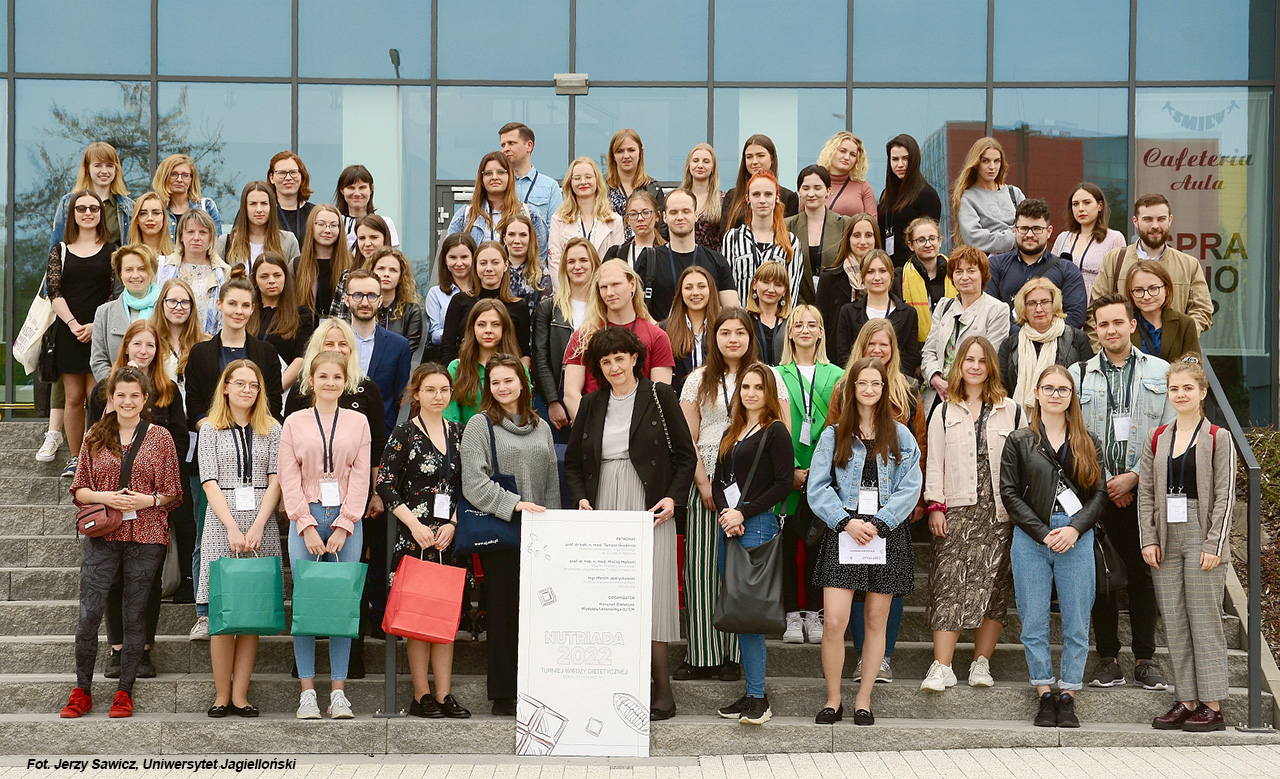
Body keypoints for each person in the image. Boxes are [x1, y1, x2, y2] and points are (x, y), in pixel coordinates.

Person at [566, 327, 697, 720]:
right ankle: (617, 683)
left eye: (620, 358)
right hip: (604, 502)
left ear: (635, 358)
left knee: (652, 592)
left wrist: (672, 498)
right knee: (609, 595)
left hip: (649, 506)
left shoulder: (660, 395)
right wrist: (581, 497)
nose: (614, 367)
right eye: (605, 361)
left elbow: (686, 456)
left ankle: (662, 691)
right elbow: (573, 463)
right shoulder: (591, 403)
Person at [61, 367, 182, 720]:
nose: (127, 401)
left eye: (134, 395)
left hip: (147, 535)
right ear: (111, 398)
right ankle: (82, 690)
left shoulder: (160, 437)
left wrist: (147, 501)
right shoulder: (95, 435)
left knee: (135, 613)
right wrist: (107, 497)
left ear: (145, 399)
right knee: (89, 614)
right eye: (121, 395)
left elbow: (173, 492)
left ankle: (124, 691)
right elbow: (79, 489)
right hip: (103, 535)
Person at [807, 357, 922, 726]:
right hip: (844, 532)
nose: (869, 389)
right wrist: (845, 521)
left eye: (876, 383)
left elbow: (911, 486)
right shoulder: (833, 435)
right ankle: (833, 699)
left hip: (885, 535)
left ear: (884, 389)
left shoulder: (901, 435)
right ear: (851, 389)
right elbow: (817, 487)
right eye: (862, 383)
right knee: (834, 621)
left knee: (875, 619)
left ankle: (863, 699)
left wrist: (881, 522)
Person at [677, 308, 790, 682]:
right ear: (714, 337)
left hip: (751, 493)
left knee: (739, 576)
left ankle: (733, 656)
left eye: (740, 332)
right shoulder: (697, 379)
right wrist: (703, 483)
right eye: (725, 332)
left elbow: (782, 432)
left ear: (750, 336)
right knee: (702, 571)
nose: (733, 339)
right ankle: (702, 654)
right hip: (706, 480)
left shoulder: (768, 376)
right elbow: (688, 439)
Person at [1073, 293, 1174, 691]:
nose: (1111, 330)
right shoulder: (1079, 374)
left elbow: (1168, 435)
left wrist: (1133, 477)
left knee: (1143, 575)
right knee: (1101, 576)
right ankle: (1108, 658)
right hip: (1096, 493)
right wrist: (1107, 484)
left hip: (1143, 492)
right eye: (1103, 324)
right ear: (1095, 330)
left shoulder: (1161, 372)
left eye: (1118, 322)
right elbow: (1073, 436)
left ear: (1132, 325)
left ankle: (1146, 659)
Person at [999, 364, 1106, 728]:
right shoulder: (1019, 440)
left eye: (1063, 389)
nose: (1056, 395)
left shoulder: (1088, 441)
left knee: (1077, 621)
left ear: (1072, 395)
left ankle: (1069, 694)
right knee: (1033, 621)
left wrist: (1074, 529)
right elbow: (1009, 493)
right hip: (1032, 538)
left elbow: (1099, 495)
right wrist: (1043, 532)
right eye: (1049, 388)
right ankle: (1045, 692)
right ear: (1036, 393)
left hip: (1076, 537)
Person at [86, 320, 189, 678]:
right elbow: (91, 441)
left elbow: (179, 441)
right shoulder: (104, 391)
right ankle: (117, 649)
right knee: (114, 580)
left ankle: (143, 650)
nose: (144, 351)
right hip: (110, 504)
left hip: (152, 500)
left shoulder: (168, 391)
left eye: (151, 345)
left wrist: (155, 483)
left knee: (148, 581)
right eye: (137, 344)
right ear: (126, 346)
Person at [459, 353, 560, 715]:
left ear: (523, 384)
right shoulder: (479, 425)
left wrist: (553, 524)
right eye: (495, 382)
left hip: (539, 533)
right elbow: (473, 481)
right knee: (502, 613)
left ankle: (538, 686)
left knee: (539, 611)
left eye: (508, 380)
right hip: (503, 531)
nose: (502, 387)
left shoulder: (541, 426)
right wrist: (515, 504)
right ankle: (503, 695)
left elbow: (550, 480)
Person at [921, 336, 1020, 692]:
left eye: (982, 360)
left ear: (991, 366)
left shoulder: (1011, 409)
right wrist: (935, 505)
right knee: (948, 584)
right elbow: (934, 461)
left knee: (994, 587)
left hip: (999, 512)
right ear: (959, 365)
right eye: (969, 360)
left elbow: (1022, 462)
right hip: (957, 509)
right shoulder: (944, 410)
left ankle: (981, 663)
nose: (975, 366)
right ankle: (942, 666)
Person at [1140, 358, 1234, 733]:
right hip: (1166, 533)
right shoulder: (1157, 437)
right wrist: (1148, 538)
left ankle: (1212, 705)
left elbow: (1225, 496)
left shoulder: (1218, 438)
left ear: (1202, 392)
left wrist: (1214, 543)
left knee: (1204, 621)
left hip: (1201, 533)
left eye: (1187, 388)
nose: (1180, 394)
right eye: (1174, 388)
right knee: (1175, 621)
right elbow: (1146, 493)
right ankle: (1187, 700)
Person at [279, 350, 372, 719]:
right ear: (311, 381)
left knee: (341, 604)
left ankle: (338, 692)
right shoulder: (294, 422)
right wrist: (304, 523)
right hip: (307, 516)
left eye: (337, 376)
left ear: (345, 381)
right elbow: (288, 476)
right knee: (305, 604)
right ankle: (307, 692)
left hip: (346, 520)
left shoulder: (359, 422)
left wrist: (346, 523)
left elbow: (362, 476)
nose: (330, 383)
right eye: (323, 376)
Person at [377, 363, 472, 719]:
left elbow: (469, 485)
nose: (438, 396)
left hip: (448, 539)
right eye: (430, 390)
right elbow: (385, 484)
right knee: (418, 622)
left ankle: (444, 694)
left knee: (445, 619)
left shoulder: (460, 432)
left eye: (444, 390)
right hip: (414, 538)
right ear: (416, 393)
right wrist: (414, 524)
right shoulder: (404, 432)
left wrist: (454, 522)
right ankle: (422, 695)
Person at [197, 360, 282, 718]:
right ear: (226, 387)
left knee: (252, 612)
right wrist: (232, 526)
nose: (247, 390)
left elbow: (276, 479)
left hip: (262, 521)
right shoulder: (210, 429)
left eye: (253, 384)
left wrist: (259, 524)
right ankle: (221, 695)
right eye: (240, 383)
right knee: (222, 614)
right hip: (222, 522)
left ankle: (240, 695)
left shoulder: (272, 428)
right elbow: (208, 481)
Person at [711, 364, 795, 726]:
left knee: (750, 616)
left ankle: (759, 697)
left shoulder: (776, 431)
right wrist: (726, 513)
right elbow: (717, 480)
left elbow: (784, 483)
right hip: (729, 525)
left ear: (769, 392)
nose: (750, 393)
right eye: (745, 386)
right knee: (740, 612)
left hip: (756, 525)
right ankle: (751, 693)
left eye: (758, 387)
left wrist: (742, 513)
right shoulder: (731, 431)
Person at [776, 305, 842, 645]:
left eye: (812, 324)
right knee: (788, 547)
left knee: (818, 547)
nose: (805, 330)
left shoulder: (838, 374)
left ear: (821, 332)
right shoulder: (775, 374)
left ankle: (815, 613)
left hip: (824, 474)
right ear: (789, 333)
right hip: (787, 474)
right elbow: (771, 424)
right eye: (798, 324)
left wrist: (818, 472)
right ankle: (791, 614)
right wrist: (789, 471)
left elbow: (841, 424)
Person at [49, 190, 119, 478]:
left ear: (101, 213)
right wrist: (72, 323)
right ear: (73, 214)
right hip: (70, 331)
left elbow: (115, 292)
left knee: (97, 395)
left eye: (93, 208)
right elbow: (54, 291)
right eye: (81, 208)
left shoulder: (112, 250)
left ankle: (97, 456)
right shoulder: (61, 250)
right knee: (74, 397)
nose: (88, 213)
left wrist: (94, 325)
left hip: (99, 331)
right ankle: (76, 458)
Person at [561, 260, 675, 419]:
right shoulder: (583, 336)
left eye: (616, 284)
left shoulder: (657, 336)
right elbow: (571, 394)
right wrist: (590, 427)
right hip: (595, 422)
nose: (609, 293)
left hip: (640, 424)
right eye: (604, 287)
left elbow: (660, 396)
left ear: (632, 285)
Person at [1089, 193, 1213, 338]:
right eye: (1147, 219)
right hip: (1124, 350)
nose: (1155, 226)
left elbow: (1202, 310)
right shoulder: (1114, 260)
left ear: (1170, 220)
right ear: (1135, 222)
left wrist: (1181, 337)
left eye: (1161, 219)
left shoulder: (1189, 265)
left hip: (1173, 350)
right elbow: (1095, 310)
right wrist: (1103, 349)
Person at [184, 274, 285, 429]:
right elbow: (193, 400)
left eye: (245, 305)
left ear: (252, 309)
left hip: (256, 434)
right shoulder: (199, 353)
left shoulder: (267, 352)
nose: (239, 311)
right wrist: (208, 429)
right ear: (219, 304)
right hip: (213, 433)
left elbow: (273, 400)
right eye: (232, 304)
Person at [920, 246, 1011, 411]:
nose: (964, 277)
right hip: (938, 394)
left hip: (974, 396)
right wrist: (935, 377)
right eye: (958, 271)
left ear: (983, 275)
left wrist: (957, 386)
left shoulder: (997, 310)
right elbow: (929, 351)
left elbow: (990, 358)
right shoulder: (944, 306)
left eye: (971, 271)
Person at [633, 188, 738, 321]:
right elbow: (636, 305)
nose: (680, 217)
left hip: (706, 333)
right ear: (665, 217)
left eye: (686, 211)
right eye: (674, 212)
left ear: (696, 215)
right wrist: (658, 330)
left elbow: (732, 311)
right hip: (661, 333)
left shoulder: (717, 260)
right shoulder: (648, 259)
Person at [986, 199, 1088, 331]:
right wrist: (1023, 336)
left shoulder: (1067, 270)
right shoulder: (995, 265)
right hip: (1007, 341)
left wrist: (1043, 336)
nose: (1030, 234)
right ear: (1015, 230)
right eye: (1024, 228)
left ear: (1049, 231)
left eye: (1037, 229)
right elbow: (990, 312)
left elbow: (1075, 316)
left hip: (1054, 342)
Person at [534, 238, 600, 436]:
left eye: (583, 260)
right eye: (571, 261)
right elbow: (540, 357)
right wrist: (553, 401)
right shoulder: (549, 307)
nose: (577, 266)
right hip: (557, 399)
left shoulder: (605, 308)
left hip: (596, 396)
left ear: (594, 264)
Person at [998, 278, 1094, 414]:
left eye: (1045, 302)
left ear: (1054, 304)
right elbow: (1001, 388)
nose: (1039, 309)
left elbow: (1088, 385)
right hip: (1019, 419)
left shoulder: (1077, 339)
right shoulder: (1009, 345)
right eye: (1031, 303)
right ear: (1023, 308)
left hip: (1066, 418)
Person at [440, 241, 532, 364]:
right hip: (467, 371)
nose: (489, 269)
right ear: (475, 266)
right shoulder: (460, 301)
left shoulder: (519, 306)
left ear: (505, 265)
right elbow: (447, 347)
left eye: (495, 263)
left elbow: (524, 352)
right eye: (483, 263)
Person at [722, 171, 804, 305]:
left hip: (777, 317)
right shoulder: (732, 238)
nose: (762, 200)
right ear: (748, 199)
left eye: (768, 194)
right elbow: (727, 286)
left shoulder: (791, 241)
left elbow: (792, 292)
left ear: (777, 198)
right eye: (756, 194)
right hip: (741, 316)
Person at [447, 151, 549, 255]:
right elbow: (449, 253)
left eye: (500, 172)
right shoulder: (465, 215)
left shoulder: (530, 214)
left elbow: (540, 257)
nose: (494, 177)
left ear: (510, 176)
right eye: (488, 173)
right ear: (481, 178)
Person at [834, 250, 919, 374]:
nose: (877, 277)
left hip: (897, 381)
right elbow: (844, 356)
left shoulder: (908, 314)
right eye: (870, 272)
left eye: (882, 271)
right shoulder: (848, 312)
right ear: (863, 276)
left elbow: (910, 358)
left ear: (891, 274)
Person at [345, 269, 412, 424]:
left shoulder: (399, 346)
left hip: (380, 431)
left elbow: (399, 397)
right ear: (346, 300)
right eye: (357, 295)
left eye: (371, 296)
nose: (365, 303)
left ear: (380, 301)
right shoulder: (333, 341)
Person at [446, 300, 526, 426]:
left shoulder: (519, 368)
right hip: (467, 436)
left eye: (495, 324)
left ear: (504, 328)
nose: (488, 330)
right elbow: (450, 418)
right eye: (481, 324)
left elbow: (525, 413)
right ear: (472, 328)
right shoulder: (456, 368)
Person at [547, 156, 625, 282]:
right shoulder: (558, 220)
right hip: (569, 290)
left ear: (597, 180)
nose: (583, 182)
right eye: (577, 178)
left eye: (588, 177)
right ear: (570, 183)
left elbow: (618, 264)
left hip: (604, 289)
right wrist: (563, 292)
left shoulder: (614, 221)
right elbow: (555, 263)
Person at [90, 244, 161, 382]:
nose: (135, 275)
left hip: (160, 389)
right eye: (128, 270)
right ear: (120, 274)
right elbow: (98, 361)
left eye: (142, 269)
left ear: (152, 271)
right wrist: (119, 386)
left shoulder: (167, 308)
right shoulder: (104, 313)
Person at [249, 253, 315, 392]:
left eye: (277, 275)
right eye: (264, 276)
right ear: (255, 280)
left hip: (283, 390)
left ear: (285, 277)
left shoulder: (301, 314)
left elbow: (301, 359)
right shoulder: (247, 312)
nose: (271, 281)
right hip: (247, 387)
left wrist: (274, 391)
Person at [157, 209, 230, 335]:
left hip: (209, 341)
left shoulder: (224, 273)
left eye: (203, 232)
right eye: (190, 232)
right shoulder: (163, 268)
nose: (196, 238)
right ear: (181, 236)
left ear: (211, 237)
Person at [786, 165, 849, 306]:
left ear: (828, 191)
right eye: (806, 188)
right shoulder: (787, 226)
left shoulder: (844, 224)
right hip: (798, 305)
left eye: (817, 188)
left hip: (837, 305)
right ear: (799, 191)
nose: (811, 193)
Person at [51, 142, 133, 249]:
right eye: (98, 165)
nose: (104, 171)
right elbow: (56, 245)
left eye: (109, 165)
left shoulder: (128, 207)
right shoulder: (68, 202)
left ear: (116, 169)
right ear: (87, 168)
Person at [878, 134, 943, 268]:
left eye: (905, 159)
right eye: (895, 159)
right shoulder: (887, 194)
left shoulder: (927, 195)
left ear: (914, 160)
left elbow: (929, 240)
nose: (900, 164)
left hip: (913, 269)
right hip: (887, 267)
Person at [1050, 183, 1127, 296]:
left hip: (1098, 302)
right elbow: (1051, 275)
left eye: (1087, 203)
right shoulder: (1063, 238)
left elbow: (1121, 281)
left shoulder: (1114, 238)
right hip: (1065, 303)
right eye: (1075, 204)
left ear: (1100, 205)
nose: (1081, 209)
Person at [952, 137, 1024, 254]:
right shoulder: (968, 198)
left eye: (997, 161)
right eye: (985, 161)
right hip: (989, 262)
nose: (992, 167)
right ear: (976, 164)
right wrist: (1015, 236)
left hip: (1020, 260)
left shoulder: (1014, 193)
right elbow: (975, 239)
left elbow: (1030, 227)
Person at [815, 212, 880, 335]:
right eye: (857, 235)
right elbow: (820, 326)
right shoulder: (829, 279)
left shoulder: (888, 278)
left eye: (868, 235)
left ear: (875, 239)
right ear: (848, 239)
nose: (863, 241)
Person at [661, 265, 721, 394]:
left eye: (701, 286)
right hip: (678, 401)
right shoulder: (665, 329)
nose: (695, 292)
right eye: (688, 287)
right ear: (680, 292)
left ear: (711, 290)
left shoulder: (723, 327)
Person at [721, 134, 800, 230]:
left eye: (760, 156)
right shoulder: (732, 196)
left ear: (772, 159)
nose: (754, 161)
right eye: (749, 157)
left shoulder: (789, 198)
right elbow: (724, 233)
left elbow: (788, 232)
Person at [1127, 260, 1201, 362]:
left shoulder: (1185, 324)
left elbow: (1193, 368)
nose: (1146, 296)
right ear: (1131, 293)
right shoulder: (1123, 324)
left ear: (1166, 289)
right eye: (1138, 290)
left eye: (1153, 288)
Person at [216, 181, 300, 270]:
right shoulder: (226, 243)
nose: (259, 209)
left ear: (271, 207)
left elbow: (296, 276)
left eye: (264, 203)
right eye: (253, 204)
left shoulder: (288, 241)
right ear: (245, 208)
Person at [898, 216, 955, 345]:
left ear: (940, 241)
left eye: (932, 238)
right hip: (916, 349)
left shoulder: (956, 273)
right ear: (911, 245)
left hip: (953, 346)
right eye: (921, 240)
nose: (928, 244)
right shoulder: (900, 278)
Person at [294, 204, 356, 319]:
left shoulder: (352, 263)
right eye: (321, 224)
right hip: (307, 328)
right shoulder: (296, 265)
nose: (327, 230)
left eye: (333, 225)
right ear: (311, 226)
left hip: (343, 327)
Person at [499, 121, 562, 226]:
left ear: (529, 146)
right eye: (503, 145)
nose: (505, 149)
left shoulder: (550, 187)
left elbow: (555, 228)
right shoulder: (499, 183)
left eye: (511, 143)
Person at [425, 234, 478, 360]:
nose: (459, 263)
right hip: (450, 355)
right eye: (453, 257)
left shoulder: (483, 291)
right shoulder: (435, 293)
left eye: (464, 257)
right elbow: (434, 333)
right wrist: (451, 335)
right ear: (445, 260)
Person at [605, 129, 666, 235]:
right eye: (620, 151)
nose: (626, 156)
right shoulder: (601, 187)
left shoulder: (652, 188)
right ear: (613, 155)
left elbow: (662, 230)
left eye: (631, 150)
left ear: (640, 152)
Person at [368, 247, 425, 357]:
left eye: (393, 270)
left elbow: (408, 349)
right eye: (381, 268)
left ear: (401, 277)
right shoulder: (361, 305)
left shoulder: (411, 311)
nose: (386, 274)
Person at [152, 153, 222, 238]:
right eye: (174, 174)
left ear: (192, 179)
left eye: (185, 175)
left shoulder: (206, 207)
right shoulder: (155, 209)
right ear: (164, 177)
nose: (179, 179)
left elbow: (217, 242)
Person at [499, 212, 551, 318]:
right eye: (511, 234)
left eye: (523, 235)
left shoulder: (542, 274)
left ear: (530, 238)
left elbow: (545, 316)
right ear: (504, 238)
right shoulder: (495, 270)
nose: (517, 241)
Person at [335, 164, 399, 249]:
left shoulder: (385, 223)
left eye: (362, 187)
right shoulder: (335, 224)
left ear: (371, 189)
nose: (357, 193)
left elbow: (391, 254)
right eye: (351, 188)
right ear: (342, 190)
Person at [816, 132, 876, 219]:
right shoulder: (814, 182)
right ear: (831, 151)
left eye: (853, 155)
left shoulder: (864, 187)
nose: (847, 157)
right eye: (842, 151)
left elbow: (872, 223)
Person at [679, 143, 724, 252]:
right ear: (688, 166)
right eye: (695, 161)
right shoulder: (677, 199)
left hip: (712, 259)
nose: (700, 165)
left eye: (706, 162)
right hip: (681, 258)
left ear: (713, 167)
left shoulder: (723, 200)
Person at [745, 261, 791, 366]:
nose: (771, 290)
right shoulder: (743, 322)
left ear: (784, 290)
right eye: (766, 282)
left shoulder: (793, 322)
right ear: (754, 284)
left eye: (778, 285)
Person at [604, 190, 666, 266]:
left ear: (657, 216)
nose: (640, 218)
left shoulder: (668, 253)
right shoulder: (616, 254)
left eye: (645, 213)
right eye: (633, 214)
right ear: (628, 220)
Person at [267, 151, 315, 244]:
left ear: (302, 176)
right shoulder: (262, 212)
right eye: (282, 173)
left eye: (293, 172)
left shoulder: (315, 214)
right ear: (271, 178)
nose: (288, 178)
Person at [125, 191, 175, 259]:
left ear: (163, 218)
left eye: (156, 213)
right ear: (136, 219)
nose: (150, 218)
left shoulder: (177, 255)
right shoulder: (126, 256)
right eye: (143, 213)